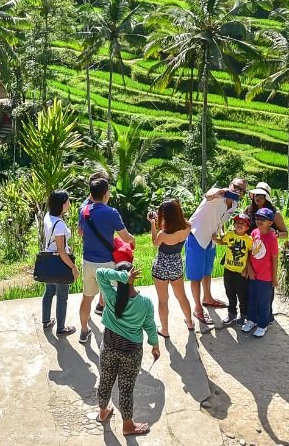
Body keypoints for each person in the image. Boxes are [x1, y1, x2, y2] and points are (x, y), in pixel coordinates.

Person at [94, 262, 160, 437]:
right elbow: (150, 326)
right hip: (131, 352)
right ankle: (128, 426)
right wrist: (155, 344)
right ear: (134, 277)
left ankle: (102, 413)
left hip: (108, 346)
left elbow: (100, 272)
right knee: (125, 389)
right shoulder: (145, 303)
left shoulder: (111, 296)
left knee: (105, 380)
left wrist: (123, 277)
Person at [77, 172, 135, 345]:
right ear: (105, 193)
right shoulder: (112, 212)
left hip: (88, 262)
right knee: (116, 296)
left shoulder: (84, 210)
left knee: (87, 298)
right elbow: (126, 237)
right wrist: (133, 240)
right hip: (107, 263)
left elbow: (81, 232)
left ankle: (83, 331)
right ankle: (116, 332)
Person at [185, 178, 245, 324]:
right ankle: (198, 308)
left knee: (207, 271)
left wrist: (222, 232)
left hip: (211, 239)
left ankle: (208, 298)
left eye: (242, 190)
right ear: (230, 185)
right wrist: (218, 193)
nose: (238, 190)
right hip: (197, 236)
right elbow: (208, 196)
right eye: (236, 186)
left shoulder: (234, 204)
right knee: (196, 276)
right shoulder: (218, 194)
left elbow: (221, 220)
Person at [149, 199, 194, 337]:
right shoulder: (188, 226)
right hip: (176, 264)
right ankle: (190, 322)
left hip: (161, 266)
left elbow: (155, 243)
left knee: (163, 300)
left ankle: (165, 330)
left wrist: (152, 224)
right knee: (181, 296)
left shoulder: (164, 234)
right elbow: (178, 224)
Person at [41, 189, 78, 336]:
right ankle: (61, 328)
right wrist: (73, 267)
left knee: (49, 292)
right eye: (67, 201)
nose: (69, 203)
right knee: (62, 297)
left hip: (49, 261)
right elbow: (62, 251)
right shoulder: (60, 225)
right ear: (62, 204)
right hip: (60, 262)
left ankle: (46, 321)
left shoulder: (48, 217)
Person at [242, 207, 279, 337]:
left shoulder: (272, 238)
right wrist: (249, 269)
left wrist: (274, 278)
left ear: (270, 222)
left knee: (264, 301)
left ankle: (263, 324)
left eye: (263, 219)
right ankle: (251, 320)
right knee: (251, 298)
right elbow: (248, 253)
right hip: (253, 275)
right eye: (257, 218)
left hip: (266, 277)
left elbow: (275, 259)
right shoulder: (254, 233)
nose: (259, 220)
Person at [216, 212, 253, 326]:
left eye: (243, 223)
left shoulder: (249, 240)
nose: (239, 225)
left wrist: (247, 269)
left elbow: (250, 255)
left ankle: (244, 315)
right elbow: (223, 241)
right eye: (237, 222)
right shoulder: (230, 234)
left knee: (242, 295)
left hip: (240, 272)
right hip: (228, 270)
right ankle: (231, 314)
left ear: (247, 227)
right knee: (230, 293)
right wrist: (215, 238)